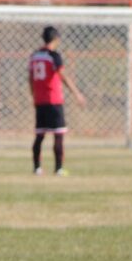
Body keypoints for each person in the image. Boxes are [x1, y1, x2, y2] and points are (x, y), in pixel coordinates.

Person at [29, 26, 85, 175]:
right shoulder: (54, 56)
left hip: (40, 100)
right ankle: (59, 168)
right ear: (55, 39)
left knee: (40, 135)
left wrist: (33, 95)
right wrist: (77, 93)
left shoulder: (35, 56)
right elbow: (63, 76)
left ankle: (37, 168)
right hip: (54, 99)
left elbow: (30, 78)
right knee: (58, 134)